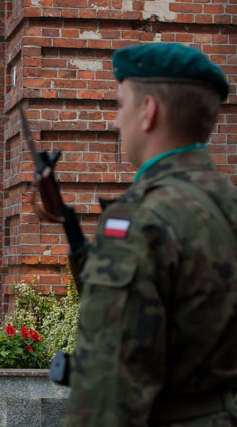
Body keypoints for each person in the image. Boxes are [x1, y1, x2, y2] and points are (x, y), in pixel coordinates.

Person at [64, 43, 237, 425]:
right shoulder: (227, 202)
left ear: (148, 111)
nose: (113, 121)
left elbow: (107, 391)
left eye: (120, 104)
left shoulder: (138, 217)